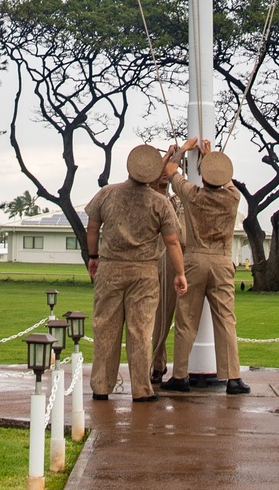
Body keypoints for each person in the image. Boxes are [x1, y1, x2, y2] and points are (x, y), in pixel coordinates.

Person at [85, 143, 187, 402]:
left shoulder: (107, 193)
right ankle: (141, 389)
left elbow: (93, 228)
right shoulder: (160, 203)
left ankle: (101, 386)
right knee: (140, 330)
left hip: (110, 267)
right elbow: (173, 242)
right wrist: (180, 273)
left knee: (105, 327)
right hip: (144, 272)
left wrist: (93, 256)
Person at [161, 139, 251, 395]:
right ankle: (233, 377)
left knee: (186, 320)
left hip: (195, 259)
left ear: (202, 175)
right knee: (225, 319)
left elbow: (170, 171)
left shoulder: (191, 194)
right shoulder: (233, 197)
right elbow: (227, 180)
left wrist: (184, 149)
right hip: (222, 260)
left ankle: (180, 375)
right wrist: (210, 157)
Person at [151, 144, 185, 383]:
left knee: (169, 316)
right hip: (152, 260)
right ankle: (156, 362)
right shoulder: (147, 196)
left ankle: (161, 364)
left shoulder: (177, 201)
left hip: (175, 261)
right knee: (153, 316)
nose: (163, 174)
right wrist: (167, 157)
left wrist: (180, 153)